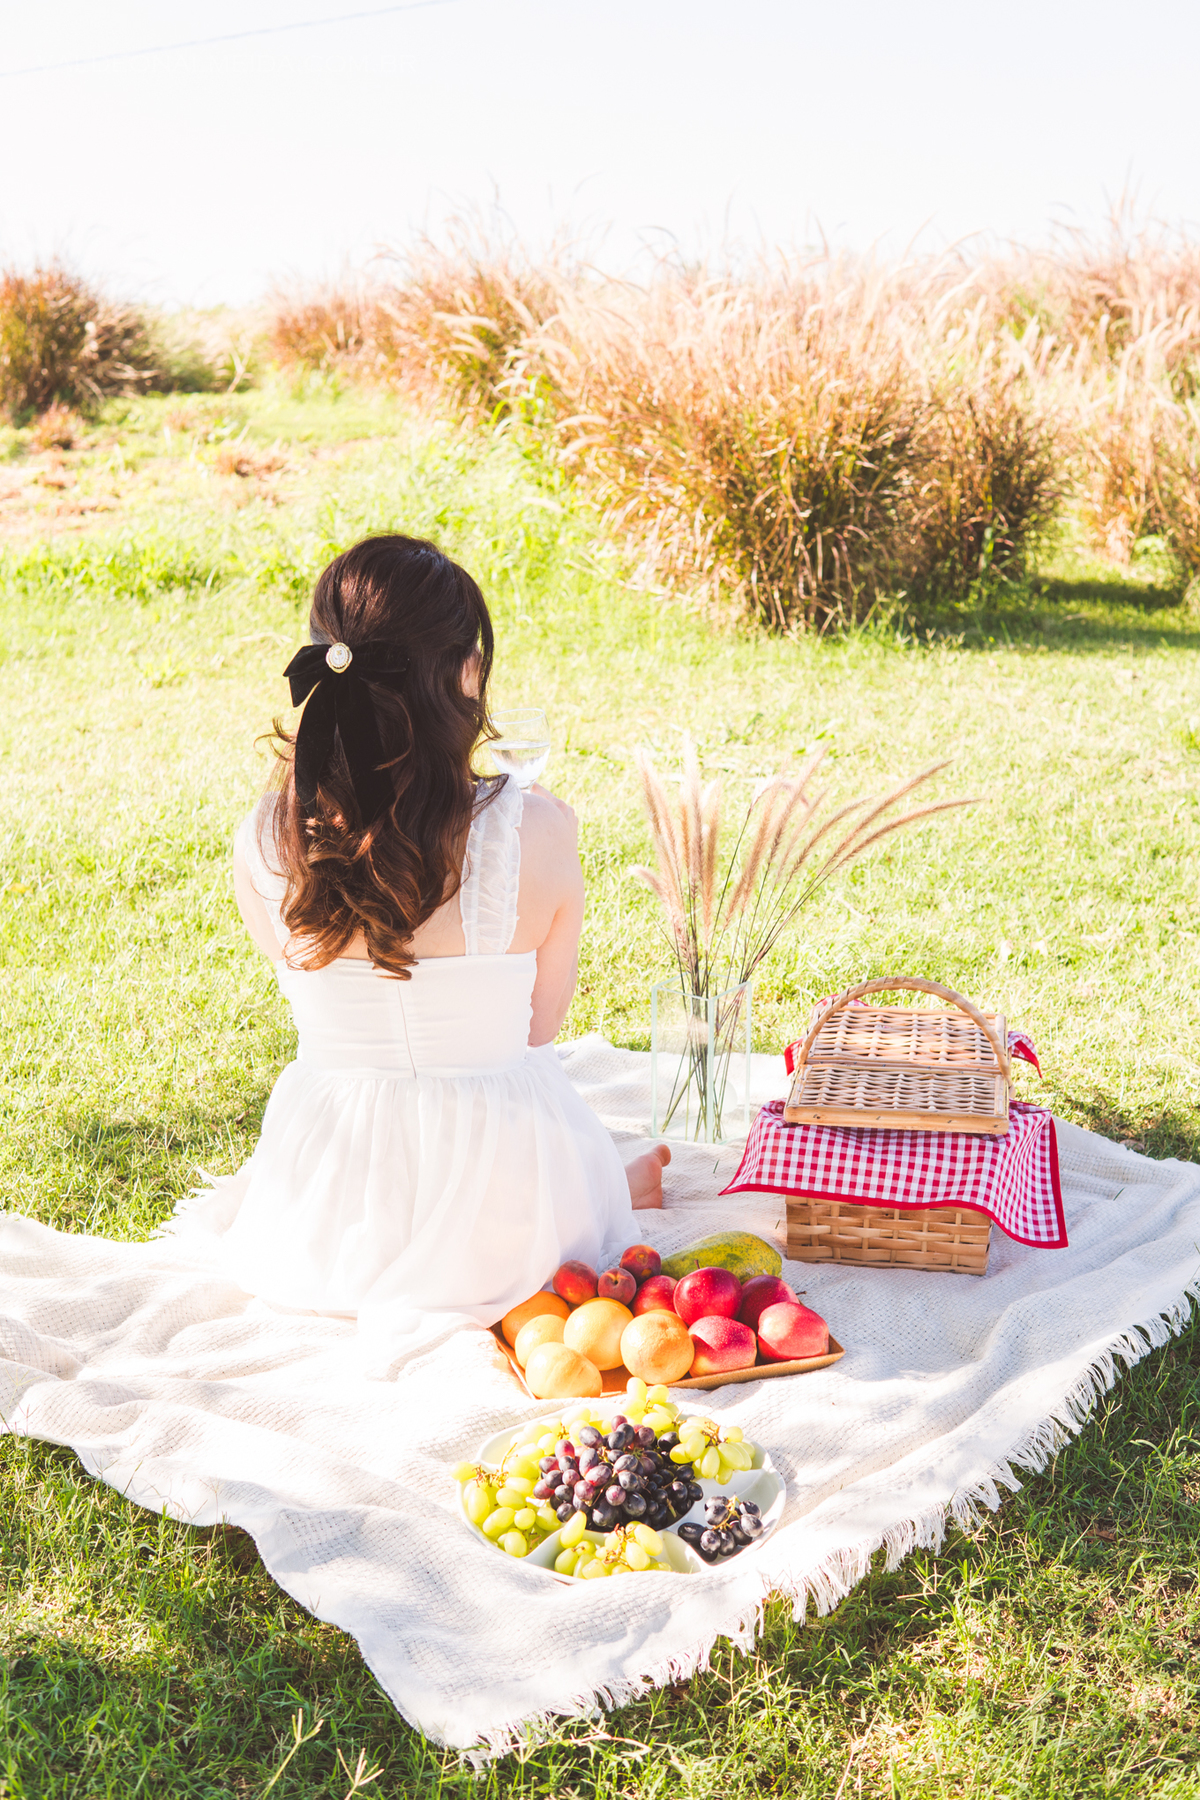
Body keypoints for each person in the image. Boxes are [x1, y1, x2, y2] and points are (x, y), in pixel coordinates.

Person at [175, 534, 667, 1344]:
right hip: (507, 1225)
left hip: (323, 1215)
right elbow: (539, 1030)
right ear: (463, 674)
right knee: (541, 1113)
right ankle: (605, 1184)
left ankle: (602, 1180)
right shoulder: (536, 828)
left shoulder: (263, 835)